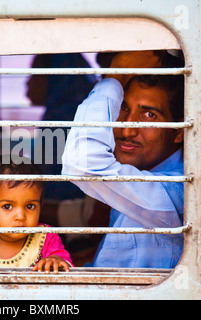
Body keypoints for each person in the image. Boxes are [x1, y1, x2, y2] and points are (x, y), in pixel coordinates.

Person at [61, 51, 185, 268]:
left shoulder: (177, 190)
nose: (127, 129)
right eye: (122, 107)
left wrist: (114, 77)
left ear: (179, 131)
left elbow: (82, 165)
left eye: (149, 115)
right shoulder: (139, 175)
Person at [26, 53, 97, 201]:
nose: (27, 83)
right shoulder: (79, 112)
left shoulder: (62, 120)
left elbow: (48, 187)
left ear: (55, 77)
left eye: (34, 74)